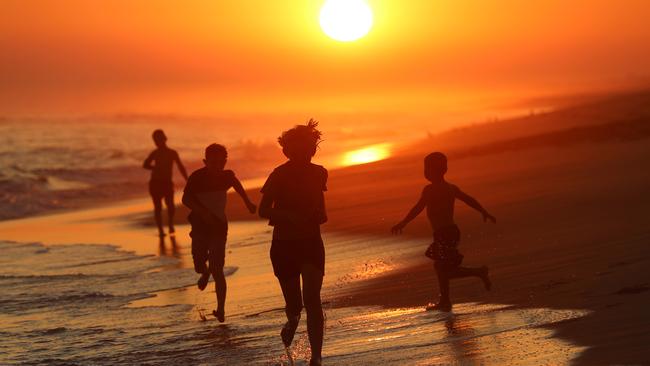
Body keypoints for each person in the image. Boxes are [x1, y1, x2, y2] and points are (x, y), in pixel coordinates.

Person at [259, 119, 327, 366]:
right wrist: (288, 215)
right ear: (288, 151)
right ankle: (292, 321)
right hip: (284, 246)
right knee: (296, 306)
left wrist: (320, 214)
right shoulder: (279, 175)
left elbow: (320, 203)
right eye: (298, 150)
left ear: (312, 150)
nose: (305, 154)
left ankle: (316, 356)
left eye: (309, 149)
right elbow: (263, 210)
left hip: (311, 243)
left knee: (313, 301)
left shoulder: (320, 172)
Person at [391, 152, 496, 312]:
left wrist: (403, 222)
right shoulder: (451, 188)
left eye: (427, 169)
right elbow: (469, 199)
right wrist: (483, 211)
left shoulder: (429, 190)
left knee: (444, 269)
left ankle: (477, 273)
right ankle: (446, 300)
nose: (425, 172)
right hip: (451, 232)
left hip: (444, 233)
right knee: (441, 267)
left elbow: (418, 208)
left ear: (433, 171)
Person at [182, 143, 256, 322]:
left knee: (218, 268)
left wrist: (247, 201)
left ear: (225, 161)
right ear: (205, 161)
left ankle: (221, 309)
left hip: (219, 227)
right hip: (199, 226)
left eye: (221, 162)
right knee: (199, 265)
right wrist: (203, 212)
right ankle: (205, 272)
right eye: (213, 162)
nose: (217, 166)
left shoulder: (226, 176)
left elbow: (236, 184)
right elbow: (185, 199)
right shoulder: (197, 177)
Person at [143, 129, 188, 237]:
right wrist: (154, 167)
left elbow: (180, 166)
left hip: (167, 183)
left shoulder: (172, 153)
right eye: (155, 140)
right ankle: (160, 230)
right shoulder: (155, 153)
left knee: (171, 206)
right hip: (155, 183)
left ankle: (170, 224)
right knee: (158, 207)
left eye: (159, 139)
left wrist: (188, 179)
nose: (157, 142)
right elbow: (145, 164)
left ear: (165, 139)